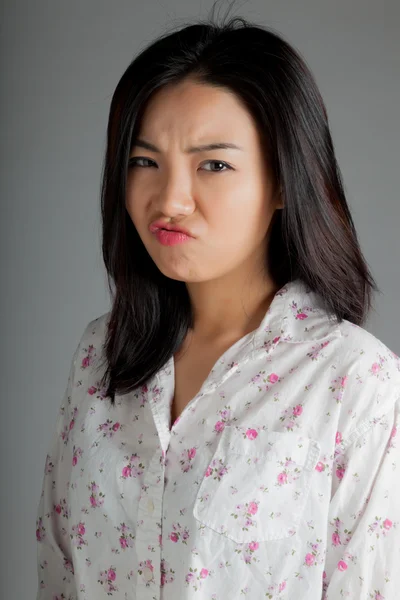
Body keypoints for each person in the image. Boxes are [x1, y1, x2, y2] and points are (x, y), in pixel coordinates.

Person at [35, 10, 400, 600]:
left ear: (284, 182)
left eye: (214, 165)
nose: (170, 200)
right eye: (144, 161)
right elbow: (56, 573)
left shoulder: (356, 385)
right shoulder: (99, 357)